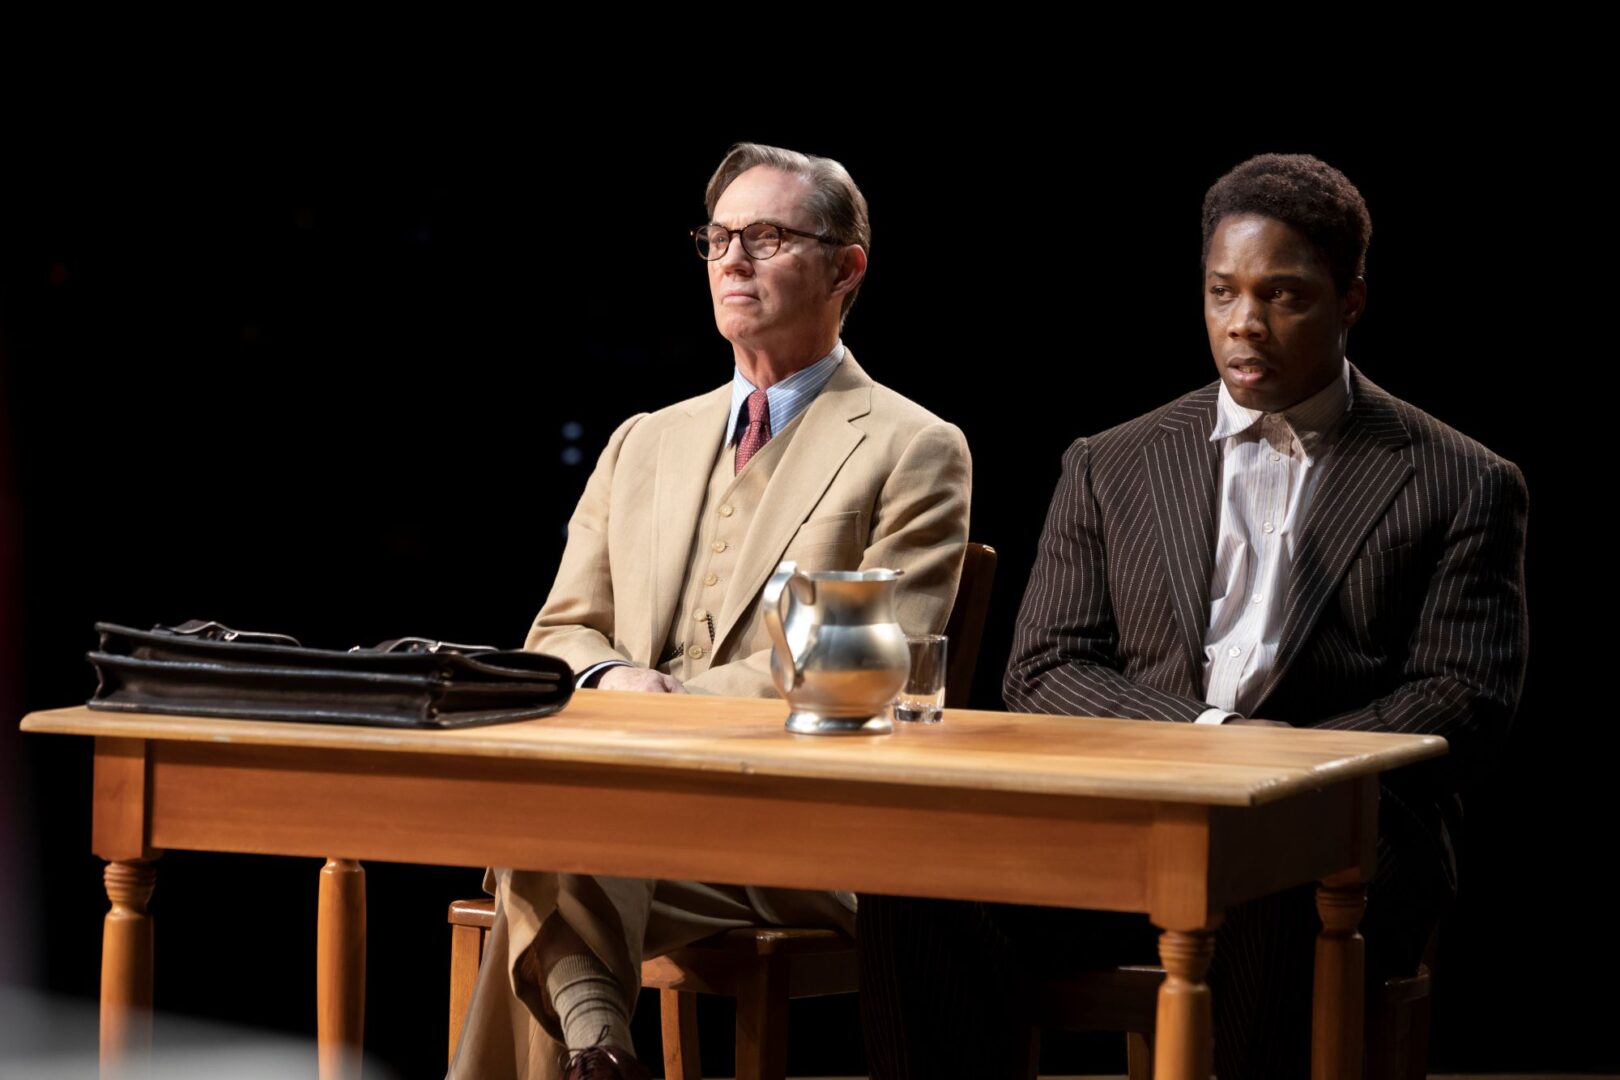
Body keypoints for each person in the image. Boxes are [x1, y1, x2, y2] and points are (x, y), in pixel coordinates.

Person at [857, 153, 1528, 1079]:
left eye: (1284, 296)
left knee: (1266, 880)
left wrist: (1288, 780)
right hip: (1127, 828)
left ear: (1352, 301)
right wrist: (1212, 740)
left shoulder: (1462, 480)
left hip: (1339, 846)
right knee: (918, 875)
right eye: (1223, 293)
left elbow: (1463, 703)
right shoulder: (1112, 462)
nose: (1244, 324)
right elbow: (1046, 667)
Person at [449, 142, 972, 1080]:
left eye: (767, 237)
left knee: (537, 849)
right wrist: (614, 675)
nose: (732, 259)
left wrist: (664, 704)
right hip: (637, 816)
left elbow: (863, 664)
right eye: (719, 237)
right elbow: (559, 633)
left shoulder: (916, 446)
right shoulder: (645, 440)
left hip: (801, 830)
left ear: (846, 267)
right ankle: (600, 1044)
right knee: (556, 836)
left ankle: (592, 1034)